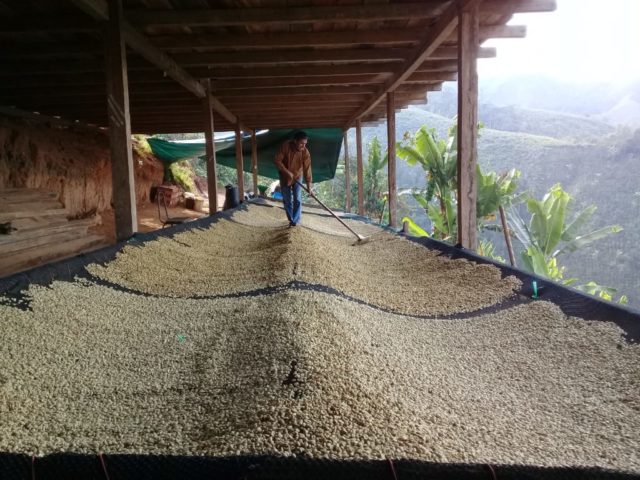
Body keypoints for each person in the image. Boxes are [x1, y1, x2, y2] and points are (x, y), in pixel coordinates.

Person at [274, 131, 313, 227]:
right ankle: (291, 220)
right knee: (287, 200)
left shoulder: (305, 152)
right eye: (301, 143)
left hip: (298, 176)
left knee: (297, 198)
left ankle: (296, 221)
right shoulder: (286, 146)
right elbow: (277, 161)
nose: (303, 146)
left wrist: (309, 186)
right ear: (295, 141)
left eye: (305, 144)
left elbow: (307, 169)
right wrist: (287, 172)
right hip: (284, 176)